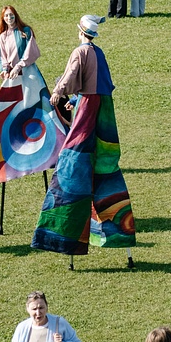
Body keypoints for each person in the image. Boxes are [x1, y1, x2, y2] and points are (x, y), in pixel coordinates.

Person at [31, 15, 136, 256]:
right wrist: (77, 99)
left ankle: (62, 232)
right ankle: (115, 229)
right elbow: (100, 84)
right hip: (103, 110)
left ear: (80, 31)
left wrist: (59, 93)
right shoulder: (99, 53)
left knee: (74, 159)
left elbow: (72, 75)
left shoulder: (80, 52)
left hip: (89, 108)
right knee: (103, 164)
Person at [0, 6, 65, 188]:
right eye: (6, 16)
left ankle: (55, 144)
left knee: (40, 105)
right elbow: (2, 57)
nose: (9, 18)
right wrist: (6, 69)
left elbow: (31, 52)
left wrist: (20, 65)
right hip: (14, 77)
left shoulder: (25, 31)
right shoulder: (3, 37)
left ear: (16, 16)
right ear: (3, 19)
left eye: (12, 15)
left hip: (29, 74)